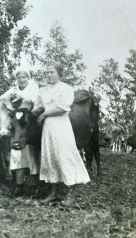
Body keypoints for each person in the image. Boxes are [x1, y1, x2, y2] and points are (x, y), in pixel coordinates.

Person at [35, 61, 90, 206]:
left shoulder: (66, 88)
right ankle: (53, 192)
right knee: (50, 157)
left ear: (60, 73)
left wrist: (45, 114)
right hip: (48, 128)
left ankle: (71, 193)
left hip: (61, 126)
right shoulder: (42, 90)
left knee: (65, 156)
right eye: (47, 72)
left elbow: (63, 108)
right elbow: (36, 107)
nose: (48, 75)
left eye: (52, 72)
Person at [2, 70, 40, 197]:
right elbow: (3, 99)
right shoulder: (14, 89)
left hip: (29, 123)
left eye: (24, 77)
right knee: (17, 153)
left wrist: (20, 95)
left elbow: (35, 100)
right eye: (19, 77)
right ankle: (19, 185)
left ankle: (34, 186)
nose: (22, 80)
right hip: (17, 122)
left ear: (28, 78)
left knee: (31, 154)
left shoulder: (34, 88)